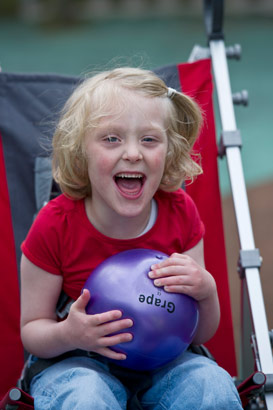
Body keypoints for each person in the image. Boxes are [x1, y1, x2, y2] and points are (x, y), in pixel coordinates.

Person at [20, 67, 243, 409]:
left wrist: (207, 291)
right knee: (84, 396)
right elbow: (33, 331)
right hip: (78, 361)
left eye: (149, 139)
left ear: (169, 151)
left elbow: (198, 333)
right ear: (81, 151)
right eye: (112, 138)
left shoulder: (180, 212)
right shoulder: (56, 224)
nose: (133, 153)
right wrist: (69, 334)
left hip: (167, 359)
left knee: (210, 384)